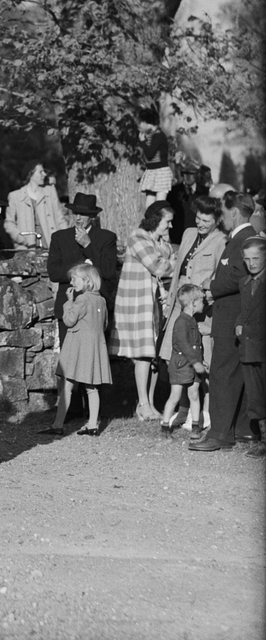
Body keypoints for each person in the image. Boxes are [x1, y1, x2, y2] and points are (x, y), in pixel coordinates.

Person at [190, 192, 257, 452]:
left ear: (234, 213)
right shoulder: (246, 238)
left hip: (231, 315)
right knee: (239, 373)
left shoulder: (242, 239)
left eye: (224, 213)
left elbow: (240, 274)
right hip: (240, 315)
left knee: (222, 373)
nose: (222, 218)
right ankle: (244, 430)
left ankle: (220, 433)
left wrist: (213, 286)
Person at [108, 200, 175, 421]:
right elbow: (160, 267)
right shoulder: (137, 238)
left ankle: (149, 403)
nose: (170, 227)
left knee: (153, 355)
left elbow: (169, 263)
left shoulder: (159, 242)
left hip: (155, 303)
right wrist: (169, 259)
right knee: (144, 355)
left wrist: (167, 257)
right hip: (138, 304)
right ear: (156, 219)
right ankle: (143, 404)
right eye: (168, 221)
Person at [40, 263, 111, 437]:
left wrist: (68, 302)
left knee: (68, 386)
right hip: (94, 347)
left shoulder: (82, 299)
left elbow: (70, 320)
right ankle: (93, 424)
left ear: (86, 281)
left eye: (74, 279)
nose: (71, 281)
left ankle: (58, 424)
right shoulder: (101, 299)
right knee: (91, 387)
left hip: (78, 347)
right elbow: (105, 324)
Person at [159, 196, 225, 379]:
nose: (200, 223)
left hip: (200, 308)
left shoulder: (221, 240)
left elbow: (220, 278)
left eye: (206, 220)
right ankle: (183, 405)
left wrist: (205, 299)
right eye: (198, 218)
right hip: (178, 304)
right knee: (170, 354)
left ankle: (200, 405)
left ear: (217, 220)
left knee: (200, 359)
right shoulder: (188, 233)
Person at [47, 193, 119, 344]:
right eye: (76, 213)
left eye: (83, 214)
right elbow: (54, 272)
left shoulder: (106, 238)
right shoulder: (60, 237)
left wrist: (88, 246)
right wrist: (86, 266)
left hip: (95, 308)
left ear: (92, 216)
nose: (78, 217)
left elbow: (108, 271)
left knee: (93, 358)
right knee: (69, 360)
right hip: (69, 306)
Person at [160, 284, 207, 438]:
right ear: (193, 303)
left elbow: (195, 345)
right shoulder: (181, 322)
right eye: (201, 301)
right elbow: (184, 345)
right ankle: (165, 426)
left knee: (194, 394)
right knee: (175, 395)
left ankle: (195, 426)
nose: (203, 304)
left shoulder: (192, 320)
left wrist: (201, 360)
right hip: (181, 365)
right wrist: (196, 362)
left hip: (193, 365)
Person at [235, 236, 266, 458]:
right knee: (255, 397)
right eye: (247, 259)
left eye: (256, 258)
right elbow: (245, 311)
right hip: (248, 346)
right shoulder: (244, 283)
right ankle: (262, 441)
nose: (252, 263)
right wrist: (238, 323)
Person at [3, 161, 67, 250]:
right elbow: (9, 224)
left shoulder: (50, 192)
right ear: (31, 175)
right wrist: (23, 239)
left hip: (52, 246)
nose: (44, 174)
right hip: (26, 248)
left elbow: (60, 219)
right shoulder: (15, 196)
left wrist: (66, 241)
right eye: (40, 172)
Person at [137, 108, 172, 207]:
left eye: (141, 122)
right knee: (149, 205)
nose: (139, 125)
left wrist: (142, 142)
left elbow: (150, 154)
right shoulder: (149, 135)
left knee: (159, 205)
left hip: (161, 172)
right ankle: (150, 222)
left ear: (147, 123)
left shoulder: (158, 136)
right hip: (152, 171)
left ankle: (161, 222)